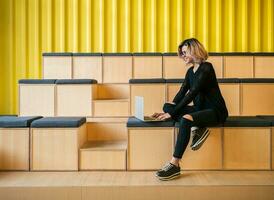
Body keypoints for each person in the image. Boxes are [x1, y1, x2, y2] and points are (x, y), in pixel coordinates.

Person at [153, 38, 228, 181]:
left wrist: (172, 113)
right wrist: (168, 111)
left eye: (185, 52)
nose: (183, 56)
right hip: (199, 109)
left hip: (215, 111)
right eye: (182, 53)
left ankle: (174, 165)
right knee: (167, 105)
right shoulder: (189, 72)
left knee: (185, 119)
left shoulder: (207, 67)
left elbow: (192, 93)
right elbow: (182, 93)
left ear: (194, 51)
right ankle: (199, 128)